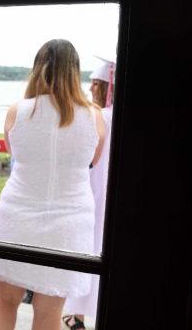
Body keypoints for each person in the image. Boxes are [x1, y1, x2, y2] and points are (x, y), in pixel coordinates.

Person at [0, 39, 106, 330]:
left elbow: (17, 156)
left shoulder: (17, 111)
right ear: (74, 72)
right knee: (49, 310)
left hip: (19, 214)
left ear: (37, 69)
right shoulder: (94, 117)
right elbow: (93, 161)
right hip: (69, 222)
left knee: (4, 298)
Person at [63, 56, 115, 329]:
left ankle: (77, 314)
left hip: (90, 190)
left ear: (97, 85)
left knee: (87, 249)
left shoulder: (92, 116)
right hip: (112, 195)